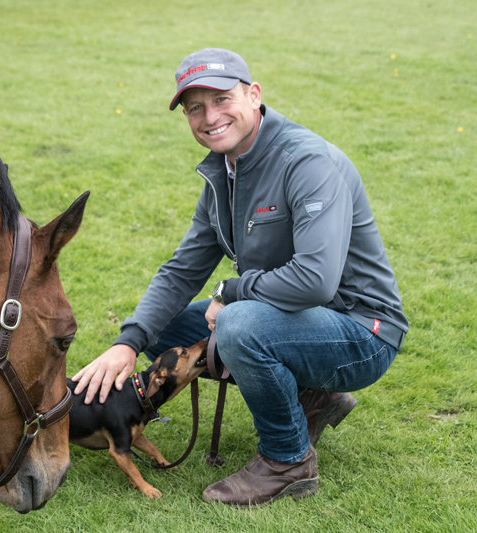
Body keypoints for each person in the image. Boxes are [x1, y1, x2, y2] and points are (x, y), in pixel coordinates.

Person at [72, 48, 408, 506]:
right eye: (195, 107)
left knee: (239, 325)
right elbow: (182, 269)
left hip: (359, 331)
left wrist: (230, 292)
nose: (210, 117)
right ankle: (312, 399)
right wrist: (127, 342)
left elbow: (316, 280)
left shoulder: (307, 161)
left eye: (222, 99)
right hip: (297, 319)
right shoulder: (223, 172)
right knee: (166, 329)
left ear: (254, 95)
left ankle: (287, 461)